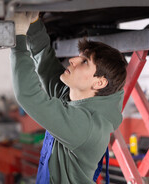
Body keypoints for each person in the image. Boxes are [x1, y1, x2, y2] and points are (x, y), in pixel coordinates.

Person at [10, 12, 127, 184]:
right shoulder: (72, 97)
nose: (72, 60)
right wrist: (33, 22)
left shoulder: (87, 126)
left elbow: (28, 95)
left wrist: (18, 39)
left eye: (84, 62)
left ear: (99, 83)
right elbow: (46, 63)